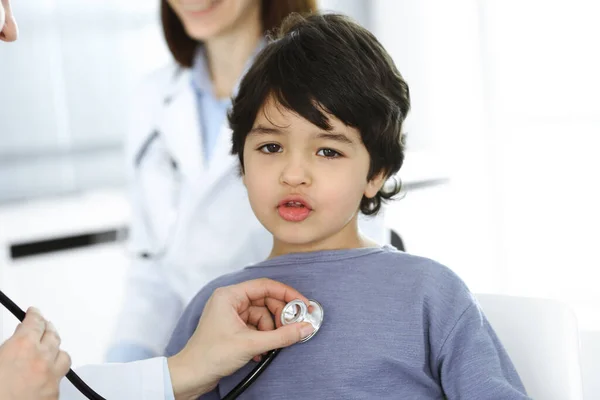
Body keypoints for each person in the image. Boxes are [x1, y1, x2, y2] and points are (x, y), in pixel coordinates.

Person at [165, 13, 531, 399]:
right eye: (270, 147)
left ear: (376, 173)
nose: (293, 174)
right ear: (242, 163)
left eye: (328, 151)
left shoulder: (429, 293)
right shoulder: (216, 310)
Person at [107, 0, 329, 364]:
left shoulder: (323, 88)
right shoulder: (151, 98)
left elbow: (351, 254)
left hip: (287, 353)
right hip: (188, 359)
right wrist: (123, 374)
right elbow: (151, 271)